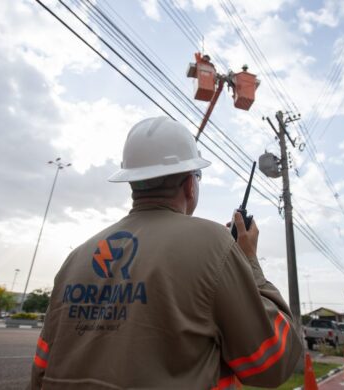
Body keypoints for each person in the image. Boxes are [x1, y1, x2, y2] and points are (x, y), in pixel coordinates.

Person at [29, 117, 302, 389]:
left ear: (132, 183)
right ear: (189, 185)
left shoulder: (76, 258)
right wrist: (249, 261)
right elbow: (271, 363)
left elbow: (41, 368)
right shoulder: (214, 245)